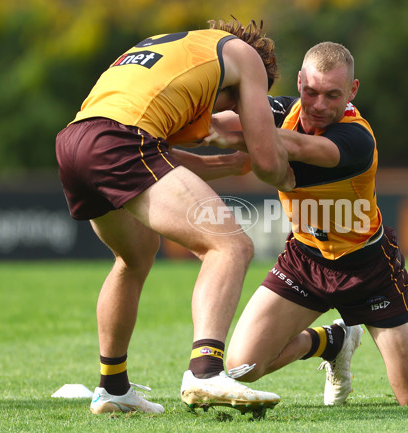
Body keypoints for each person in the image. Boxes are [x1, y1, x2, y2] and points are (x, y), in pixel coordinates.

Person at [207, 42, 408, 406]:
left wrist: (235, 133)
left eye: (333, 95)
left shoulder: (356, 138)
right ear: (298, 82)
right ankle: (333, 342)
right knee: (241, 368)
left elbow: (294, 147)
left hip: (367, 267)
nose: (319, 105)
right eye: (310, 91)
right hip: (305, 260)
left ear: (352, 92)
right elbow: (211, 121)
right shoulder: (281, 111)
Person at [55, 18, 295, 415]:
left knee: (134, 257)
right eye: (235, 102)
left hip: (75, 142)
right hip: (119, 140)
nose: (229, 111)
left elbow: (157, 156)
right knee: (230, 246)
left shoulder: (175, 47)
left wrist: (229, 164)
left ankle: (113, 388)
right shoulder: (246, 58)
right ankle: (204, 373)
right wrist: (284, 168)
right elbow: (268, 161)